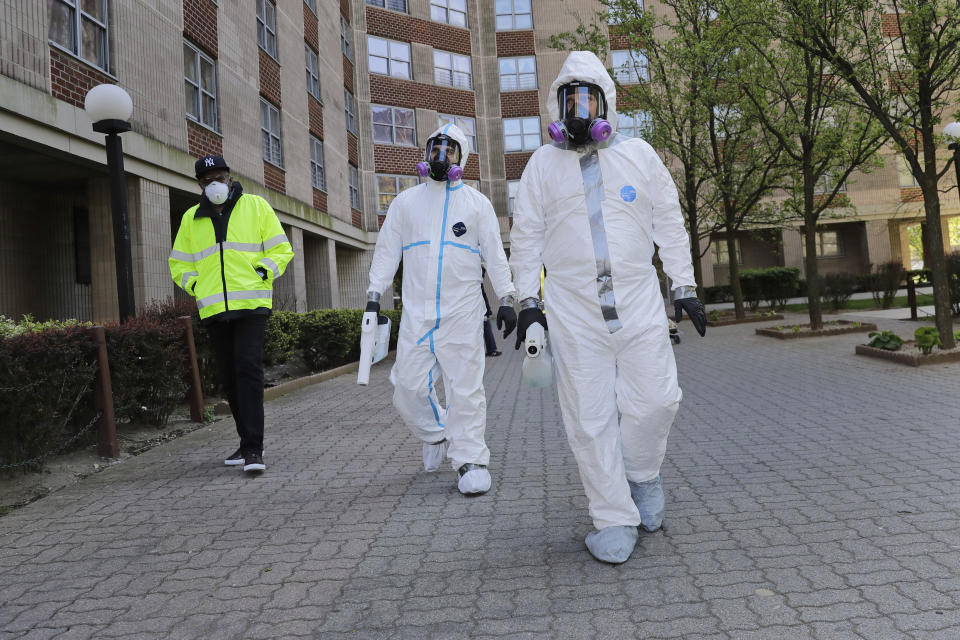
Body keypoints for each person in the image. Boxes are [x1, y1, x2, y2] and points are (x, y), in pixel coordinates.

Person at [509, 51, 707, 563]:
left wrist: (683, 285)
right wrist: (529, 302)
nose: (577, 107)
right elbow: (526, 237)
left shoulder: (641, 156)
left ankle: (641, 475)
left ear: (606, 103)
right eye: (568, 97)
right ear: (557, 104)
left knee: (659, 399)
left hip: (640, 303)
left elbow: (669, 222)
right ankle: (613, 518)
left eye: (587, 97)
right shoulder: (541, 166)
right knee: (590, 419)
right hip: (573, 312)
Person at [365, 124, 516, 495]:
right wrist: (373, 292)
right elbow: (387, 252)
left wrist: (508, 298)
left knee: (466, 390)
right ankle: (435, 434)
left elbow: (495, 257)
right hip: (417, 315)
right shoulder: (405, 203)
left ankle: (470, 460)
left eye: (449, 151)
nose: (440, 156)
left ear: (460, 159)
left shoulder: (477, 204)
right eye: (435, 148)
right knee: (407, 387)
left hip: (462, 314)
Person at [169, 155, 294, 474]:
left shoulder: (256, 206)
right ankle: (244, 441)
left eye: (219, 177)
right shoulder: (191, 219)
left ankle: (255, 448)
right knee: (228, 376)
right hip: (214, 309)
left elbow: (281, 249)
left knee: (248, 369)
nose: (215, 184)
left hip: (251, 305)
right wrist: (196, 285)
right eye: (207, 179)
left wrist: (263, 273)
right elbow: (178, 264)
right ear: (200, 184)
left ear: (230, 177)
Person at [481, 270, 501, 356]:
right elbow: (483, 298)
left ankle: (491, 349)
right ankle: (491, 350)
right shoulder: (478, 285)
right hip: (481, 310)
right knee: (486, 328)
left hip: (481, 310)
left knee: (486, 328)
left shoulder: (478, 284)